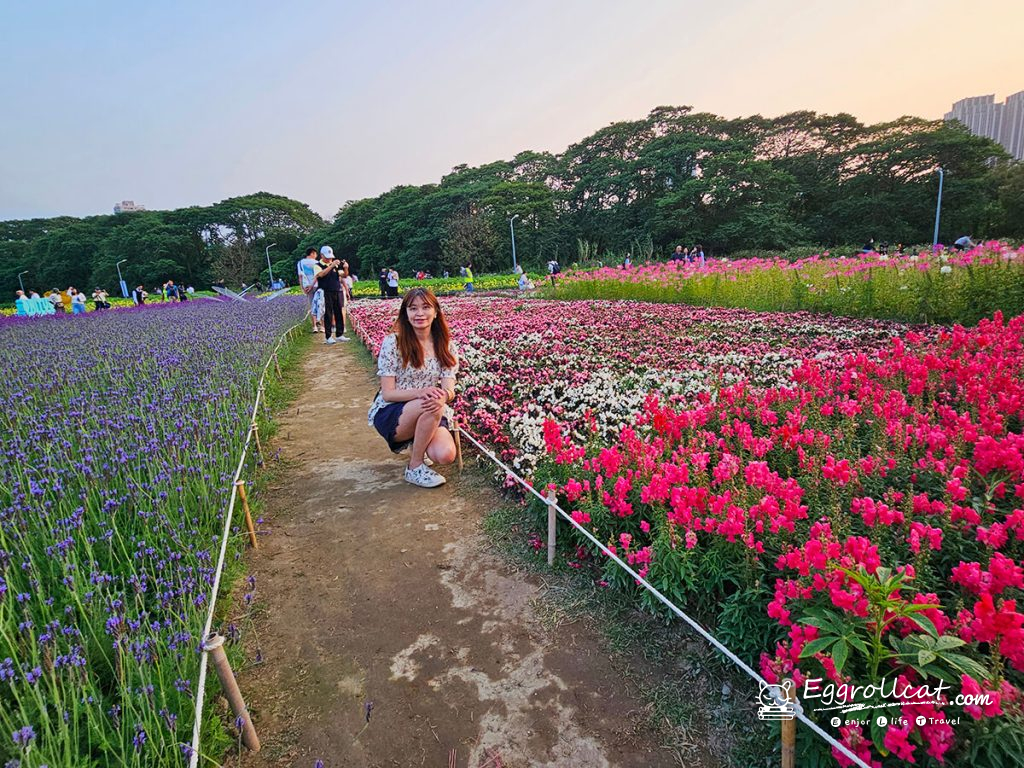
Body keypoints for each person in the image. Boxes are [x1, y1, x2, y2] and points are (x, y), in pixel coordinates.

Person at [367, 287, 458, 488]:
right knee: (431, 403)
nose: (419, 314)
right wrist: (422, 392)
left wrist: (445, 395)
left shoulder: (445, 345)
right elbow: (388, 393)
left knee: (445, 455)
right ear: (405, 314)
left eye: (426, 307)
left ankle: (419, 444)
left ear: (436, 312)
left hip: (429, 408)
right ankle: (415, 467)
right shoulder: (394, 343)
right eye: (413, 308)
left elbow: (449, 387)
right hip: (393, 411)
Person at [316, 246, 349, 344]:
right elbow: (320, 275)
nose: (330, 259)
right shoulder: (318, 265)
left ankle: (340, 334)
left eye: (331, 257)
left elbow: (344, 275)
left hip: (337, 290)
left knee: (339, 312)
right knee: (328, 314)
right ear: (322, 255)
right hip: (326, 292)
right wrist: (331, 266)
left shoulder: (335, 265)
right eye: (327, 257)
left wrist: (346, 268)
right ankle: (328, 336)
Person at [297, 247, 323, 333]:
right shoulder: (317, 263)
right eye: (315, 254)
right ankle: (322, 326)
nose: (316, 256)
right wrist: (313, 285)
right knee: (320, 305)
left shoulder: (300, 263)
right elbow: (318, 275)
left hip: (307, 286)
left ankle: (314, 326)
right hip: (318, 285)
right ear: (312, 253)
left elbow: (300, 276)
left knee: (312, 306)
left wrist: (302, 288)